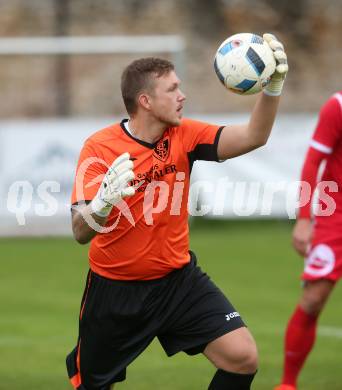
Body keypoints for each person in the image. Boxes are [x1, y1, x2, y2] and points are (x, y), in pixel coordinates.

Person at [66, 33, 288, 390]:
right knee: (91, 384)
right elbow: (80, 231)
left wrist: (273, 88)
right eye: (172, 89)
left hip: (178, 282)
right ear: (146, 101)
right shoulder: (100, 147)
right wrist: (101, 204)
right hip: (116, 291)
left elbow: (253, 136)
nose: (182, 96)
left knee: (243, 357)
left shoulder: (184, 135)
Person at [274, 90, 342, 390]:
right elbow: (313, 162)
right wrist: (304, 219)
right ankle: (288, 383)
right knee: (314, 299)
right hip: (335, 213)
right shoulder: (337, 105)